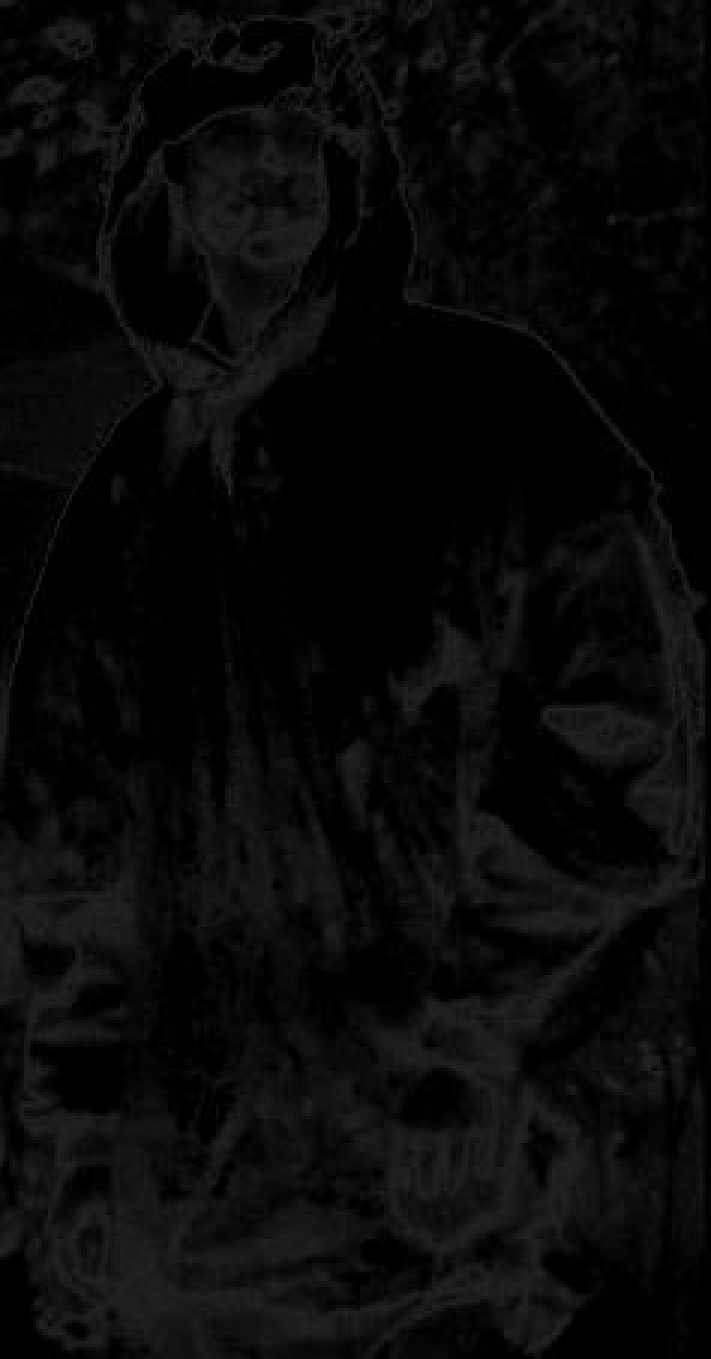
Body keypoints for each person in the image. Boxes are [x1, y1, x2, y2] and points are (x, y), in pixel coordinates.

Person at [0, 14, 703, 1358]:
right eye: (230, 141)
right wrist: (73, 1135)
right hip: (197, 1227)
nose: (270, 171)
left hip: (454, 1195)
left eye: (300, 137)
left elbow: (622, 739)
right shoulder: (139, 489)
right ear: (167, 184)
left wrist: (480, 1038)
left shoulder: (491, 408)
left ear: (350, 172)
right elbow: (63, 837)